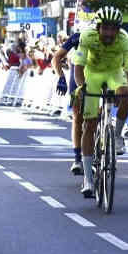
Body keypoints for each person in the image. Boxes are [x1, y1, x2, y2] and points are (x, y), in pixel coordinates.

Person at [71, 7, 128, 198]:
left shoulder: (125, 40)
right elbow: (78, 66)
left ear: (118, 30)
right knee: (89, 126)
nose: (109, 33)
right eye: (105, 28)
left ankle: (116, 135)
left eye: (113, 29)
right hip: (91, 74)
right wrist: (82, 88)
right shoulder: (87, 36)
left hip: (114, 73)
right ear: (99, 27)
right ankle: (88, 178)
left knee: (125, 94)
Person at [52, 28, 83, 176]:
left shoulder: (113, 38)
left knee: (97, 115)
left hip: (100, 73)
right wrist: (61, 77)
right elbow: (56, 57)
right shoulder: (78, 37)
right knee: (78, 117)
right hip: (78, 74)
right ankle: (77, 158)